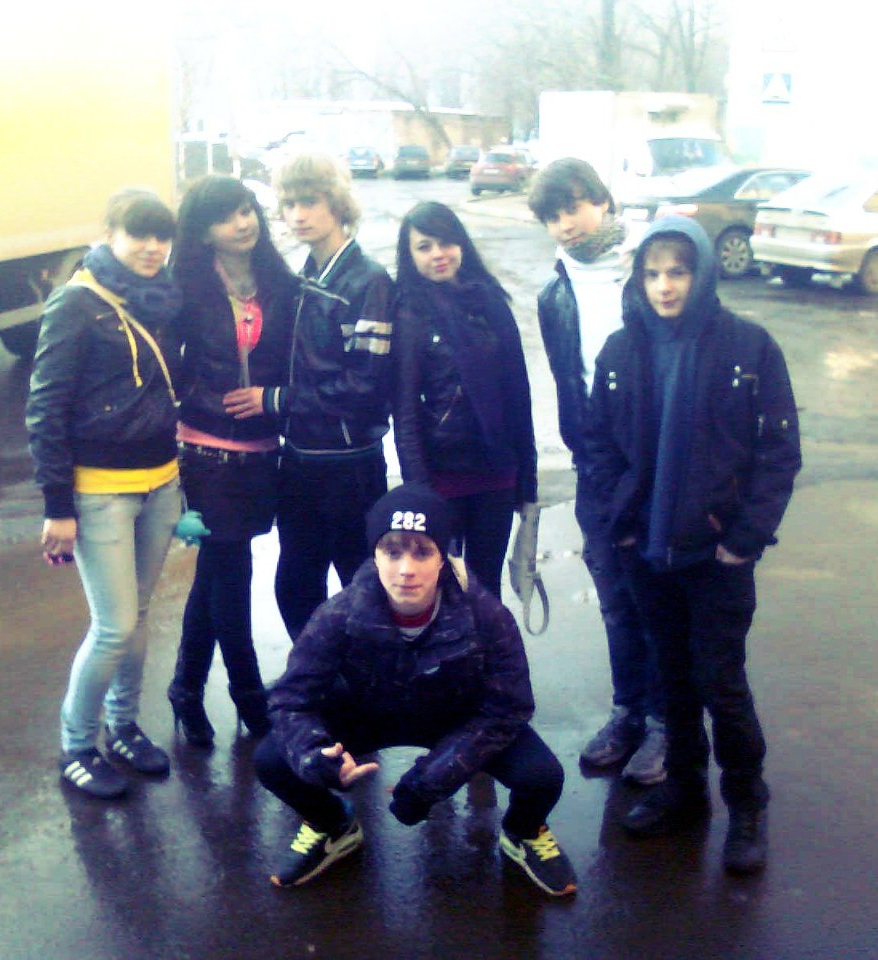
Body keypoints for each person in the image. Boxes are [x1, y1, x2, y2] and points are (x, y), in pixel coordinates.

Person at [583, 216, 801, 874]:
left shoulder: (749, 347)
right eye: (653, 273)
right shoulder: (621, 351)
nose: (665, 286)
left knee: (721, 685)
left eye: (678, 272)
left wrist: (744, 540)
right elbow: (597, 446)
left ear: (701, 273)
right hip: (648, 556)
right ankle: (684, 791)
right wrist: (620, 524)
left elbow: (778, 453)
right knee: (672, 683)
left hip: (715, 558)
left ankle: (747, 805)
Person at [253, 484, 577, 897]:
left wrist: (431, 779)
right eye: (392, 552)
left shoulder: (485, 614)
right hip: (369, 710)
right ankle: (332, 826)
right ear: (374, 556)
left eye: (422, 552)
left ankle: (523, 831)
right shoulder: (340, 612)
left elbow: (509, 707)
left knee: (543, 777)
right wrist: (316, 756)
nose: (406, 569)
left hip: (455, 715)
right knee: (273, 760)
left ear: (443, 557)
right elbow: (289, 699)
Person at [25, 188, 183, 799]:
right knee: (114, 626)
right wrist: (57, 506)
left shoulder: (159, 296)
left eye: (161, 236)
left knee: (138, 617)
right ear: (110, 234)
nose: (152, 247)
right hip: (100, 493)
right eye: (138, 234)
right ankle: (77, 745)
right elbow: (46, 407)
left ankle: (123, 725)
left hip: (161, 482)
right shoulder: (76, 303)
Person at [528, 158, 667, 785]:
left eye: (575, 207)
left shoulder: (648, 271)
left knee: (660, 601)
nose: (567, 223)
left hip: (658, 464)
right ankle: (628, 712)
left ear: (603, 203)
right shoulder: (554, 295)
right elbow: (569, 378)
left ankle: (666, 724)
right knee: (615, 600)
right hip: (596, 466)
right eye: (553, 215)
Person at [165, 175, 301, 745]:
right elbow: (165, 367)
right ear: (203, 233)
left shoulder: (280, 281)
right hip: (206, 449)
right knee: (233, 569)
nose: (243, 223)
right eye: (226, 217)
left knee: (216, 573)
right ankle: (249, 697)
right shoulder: (186, 287)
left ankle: (185, 687)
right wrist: (200, 401)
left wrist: (273, 400)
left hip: (262, 449)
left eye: (247, 210)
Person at [267, 153, 395, 641]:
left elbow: (366, 386)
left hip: (351, 464)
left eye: (309, 202)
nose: (297, 215)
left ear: (337, 204)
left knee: (363, 589)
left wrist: (277, 401)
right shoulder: (300, 279)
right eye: (289, 204)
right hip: (299, 459)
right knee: (294, 586)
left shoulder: (369, 280)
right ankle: (316, 673)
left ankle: (366, 679)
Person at [392, 201, 537, 597]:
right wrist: (420, 491)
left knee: (486, 587)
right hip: (442, 477)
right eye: (424, 247)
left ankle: (490, 642)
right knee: (445, 589)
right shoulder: (409, 314)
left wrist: (528, 481)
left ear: (462, 244)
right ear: (409, 255)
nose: (438, 254)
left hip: (497, 472)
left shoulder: (490, 303)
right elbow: (405, 413)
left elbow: (518, 395)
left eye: (446, 242)